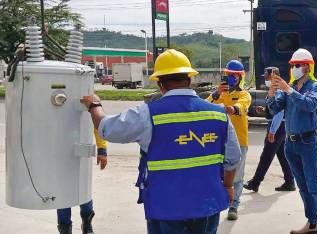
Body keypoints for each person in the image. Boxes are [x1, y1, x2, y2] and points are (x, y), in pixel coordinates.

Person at [81, 49, 241, 234]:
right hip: (207, 203)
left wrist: (94, 105)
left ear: (160, 84)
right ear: (189, 79)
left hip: (165, 206)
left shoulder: (147, 114)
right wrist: (228, 186)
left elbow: (106, 128)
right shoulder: (219, 114)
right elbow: (233, 158)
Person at [267, 48, 317, 234]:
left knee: (314, 186)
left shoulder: (316, 86)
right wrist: (271, 94)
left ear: (308, 67)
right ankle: (313, 223)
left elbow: (310, 105)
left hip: (307, 142)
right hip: (290, 143)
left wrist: (288, 91)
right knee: (303, 187)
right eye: (293, 65)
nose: (294, 68)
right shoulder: (291, 86)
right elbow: (275, 109)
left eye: (298, 65)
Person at [207, 60, 252, 221]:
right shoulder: (219, 94)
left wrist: (231, 109)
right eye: (229, 75)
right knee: (217, 174)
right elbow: (205, 105)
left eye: (235, 75)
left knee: (237, 176)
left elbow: (242, 106)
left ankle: (234, 205)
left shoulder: (244, 94)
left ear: (241, 77)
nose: (232, 78)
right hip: (218, 140)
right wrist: (217, 93)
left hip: (239, 141)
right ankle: (218, 202)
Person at [244, 67, 295, 192]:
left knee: (266, 155)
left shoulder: (278, 90)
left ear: (272, 76)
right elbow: (274, 110)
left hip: (277, 127)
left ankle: (255, 182)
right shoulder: (276, 89)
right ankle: (290, 181)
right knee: (282, 155)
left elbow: (279, 113)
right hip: (281, 127)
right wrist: (265, 109)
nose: (265, 79)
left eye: (266, 76)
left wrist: (272, 131)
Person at [57, 129, 108, 234]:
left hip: (82, 156)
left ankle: (87, 223)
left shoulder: (87, 111)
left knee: (84, 191)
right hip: (61, 155)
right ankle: (64, 229)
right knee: (62, 195)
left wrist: (102, 149)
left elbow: (97, 125)